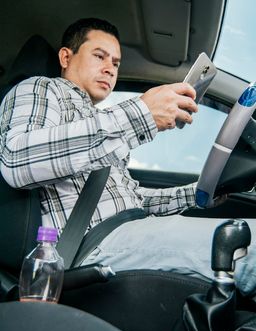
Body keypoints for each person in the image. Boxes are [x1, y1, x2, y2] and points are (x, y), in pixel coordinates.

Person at [0, 18, 255, 294]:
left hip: (130, 232)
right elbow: (18, 159)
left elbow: (135, 201)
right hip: (90, 247)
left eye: (116, 63)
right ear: (65, 56)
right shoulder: (41, 88)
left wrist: (196, 194)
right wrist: (141, 113)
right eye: (99, 56)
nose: (110, 69)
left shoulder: (99, 126)